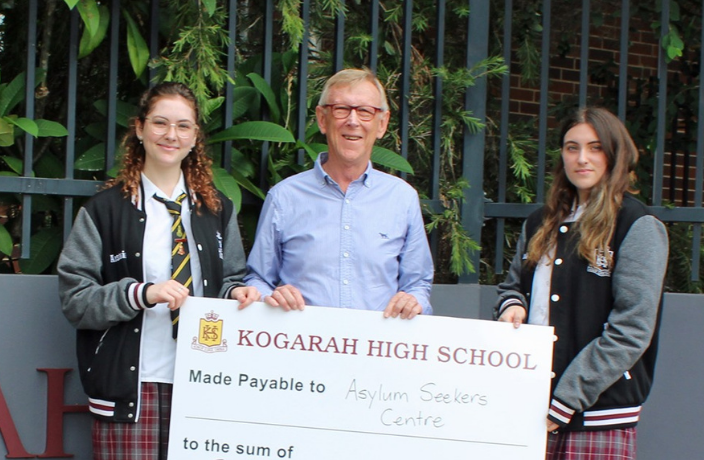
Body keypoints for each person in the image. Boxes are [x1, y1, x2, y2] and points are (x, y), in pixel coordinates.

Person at [57, 82, 260, 460]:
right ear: (139, 128)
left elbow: (231, 279)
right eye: (160, 123)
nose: (171, 135)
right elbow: (75, 300)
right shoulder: (104, 210)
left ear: (195, 136)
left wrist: (236, 293)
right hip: (130, 388)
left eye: (183, 126)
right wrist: (140, 293)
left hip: (202, 382)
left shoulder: (217, 210)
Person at [495, 107, 668, 459]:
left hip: (598, 418)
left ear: (615, 154)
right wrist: (513, 306)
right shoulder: (539, 222)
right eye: (572, 147)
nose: (582, 158)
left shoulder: (636, 226)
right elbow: (512, 285)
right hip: (530, 409)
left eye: (595, 147)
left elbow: (631, 329)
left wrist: (568, 396)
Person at [244, 68, 433, 319]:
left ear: (382, 124)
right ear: (322, 119)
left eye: (365, 111)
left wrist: (413, 301)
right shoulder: (284, 197)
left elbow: (418, 285)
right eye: (341, 109)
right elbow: (257, 279)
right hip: (302, 349)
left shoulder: (402, 199)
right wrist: (270, 296)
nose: (353, 121)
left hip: (377, 351)